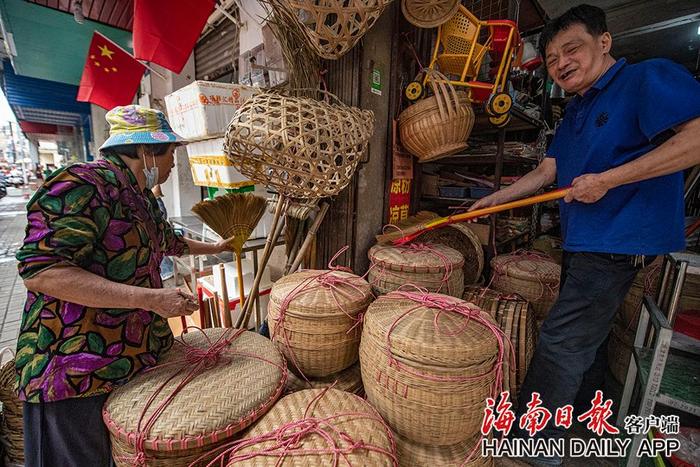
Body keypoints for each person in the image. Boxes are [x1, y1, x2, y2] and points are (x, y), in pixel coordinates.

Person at [470, 4, 700, 464]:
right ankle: (574, 423)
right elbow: (547, 170)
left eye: (571, 49)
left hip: (615, 244)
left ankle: (533, 449)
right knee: (583, 342)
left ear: (604, 42)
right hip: (584, 242)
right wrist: (498, 198)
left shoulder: (646, 79)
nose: (561, 64)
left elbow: (695, 136)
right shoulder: (576, 110)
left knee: (560, 343)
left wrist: (608, 179)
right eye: (552, 58)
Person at [15, 105, 234, 466]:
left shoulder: (142, 197)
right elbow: (42, 270)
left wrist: (216, 248)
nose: (174, 165)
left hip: (127, 365)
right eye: (171, 154)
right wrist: (149, 299)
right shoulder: (81, 185)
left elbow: (168, 242)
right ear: (147, 151)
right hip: (74, 370)